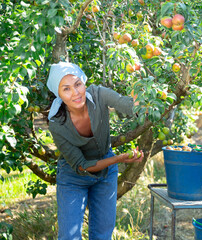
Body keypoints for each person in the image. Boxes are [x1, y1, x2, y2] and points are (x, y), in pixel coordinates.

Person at [46, 61, 144, 240]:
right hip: (73, 177)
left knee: (102, 235)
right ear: (58, 94)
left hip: (105, 174)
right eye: (66, 89)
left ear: (83, 82)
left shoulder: (99, 95)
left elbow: (131, 107)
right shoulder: (57, 124)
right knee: (69, 236)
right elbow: (81, 165)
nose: (76, 93)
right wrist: (118, 159)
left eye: (78, 84)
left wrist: (140, 81)